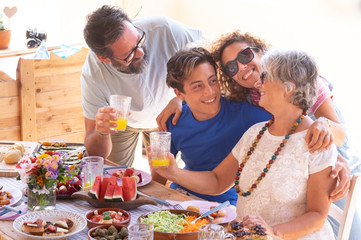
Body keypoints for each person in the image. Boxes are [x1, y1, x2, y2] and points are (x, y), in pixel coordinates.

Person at [157, 30, 360, 238]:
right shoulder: (254, 128)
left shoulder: (316, 139)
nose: (258, 83)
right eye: (231, 67)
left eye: (265, 77)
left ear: (288, 88)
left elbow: (317, 215)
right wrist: (174, 172)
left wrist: (336, 156)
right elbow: (218, 180)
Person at [80, 5, 202, 166]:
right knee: (114, 174)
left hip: (168, 113)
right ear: (104, 59)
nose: (141, 52)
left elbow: (208, 58)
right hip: (123, 124)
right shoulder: (92, 74)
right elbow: (96, 155)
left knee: (169, 173)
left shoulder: (164, 29)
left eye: (139, 40)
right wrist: (101, 132)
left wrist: (182, 98)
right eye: (129, 54)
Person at [152, 47, 271, 205]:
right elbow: (159, 177)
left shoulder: (248, 116)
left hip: (226, 206)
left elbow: (291, 123)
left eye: (212, 81)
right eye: (197, 86)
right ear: (179, 94)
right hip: (179, 196)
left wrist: (316, 123)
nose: (210, 92)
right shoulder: (172, 120)